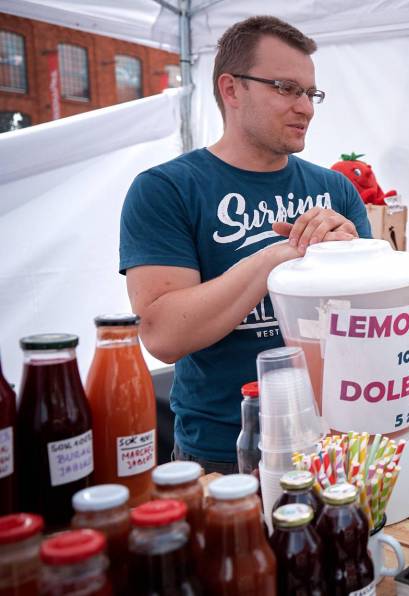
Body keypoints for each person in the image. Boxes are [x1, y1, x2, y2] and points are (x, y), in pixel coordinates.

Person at [119, 16, 371, 474]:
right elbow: (163, 335)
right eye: (286, 88)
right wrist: (278, 256)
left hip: (337, 437)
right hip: (226, 453)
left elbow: (376, 321)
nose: (306, 108)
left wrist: (356, 255)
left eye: (310, 93)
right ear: (232, 89)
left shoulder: (336, 190)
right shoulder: (167, 189)